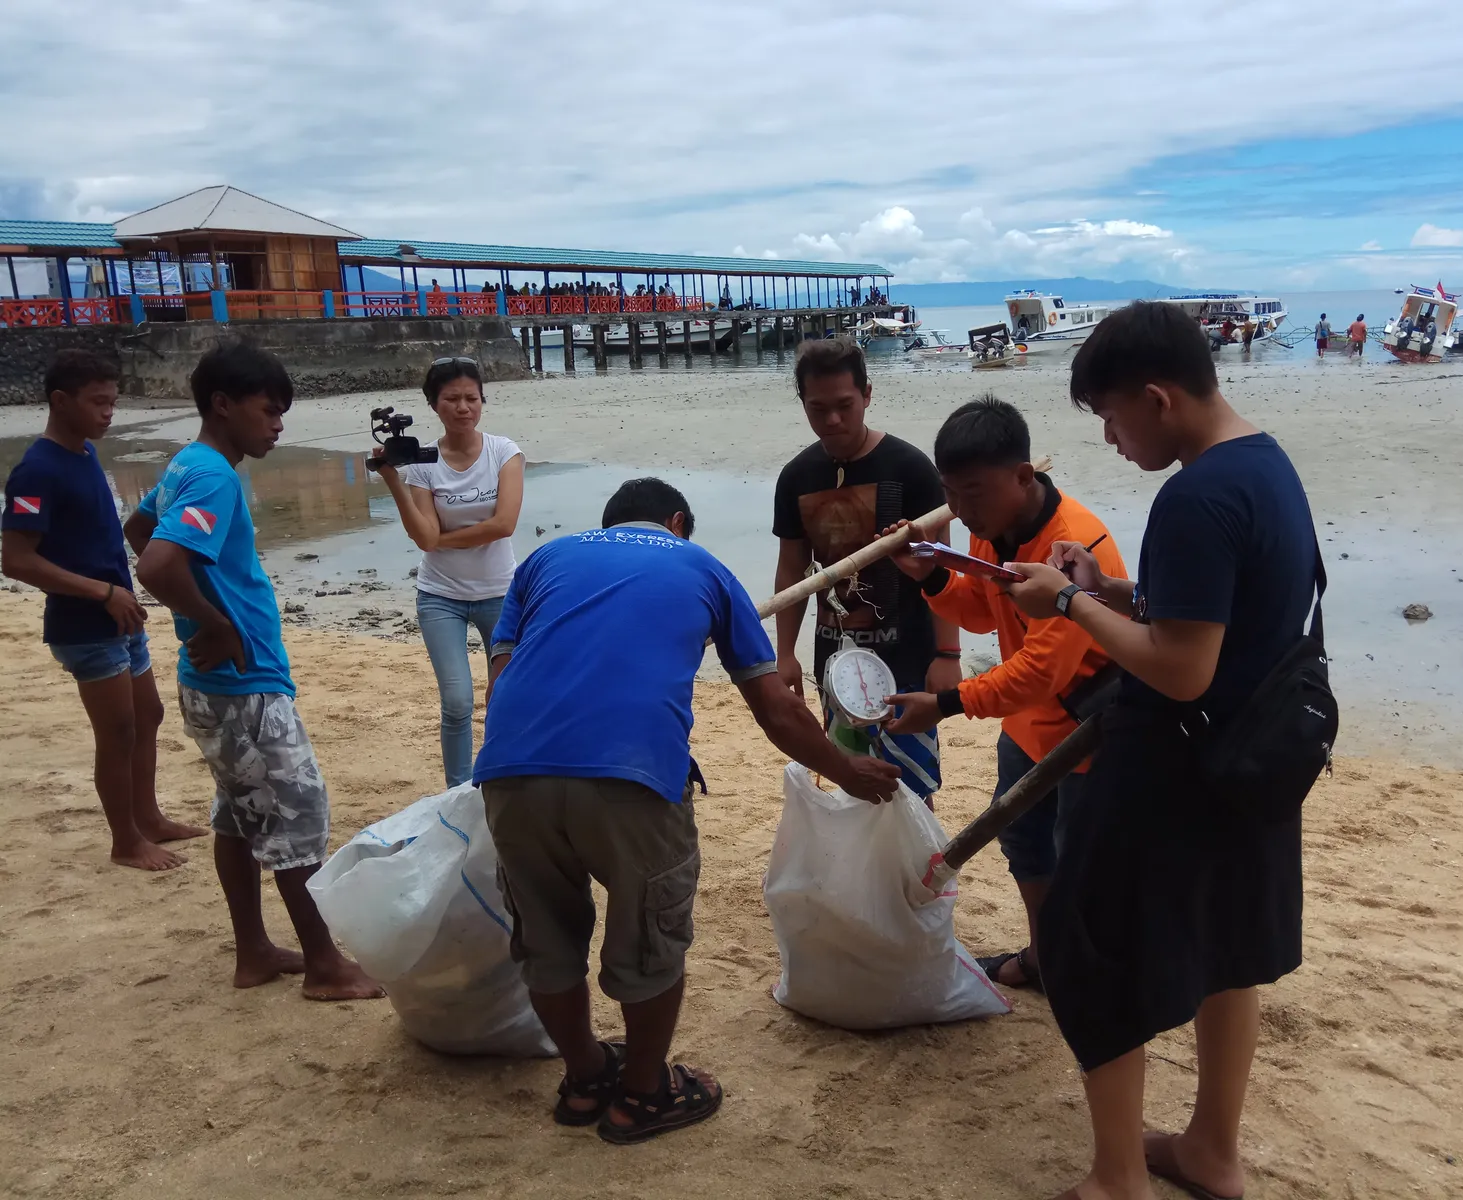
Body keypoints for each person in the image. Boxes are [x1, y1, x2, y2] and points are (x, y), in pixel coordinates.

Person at [1000, 301, 1316, 1200]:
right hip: (1254, 765)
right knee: (1230, 952)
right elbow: (1219, 611)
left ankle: (1117, 1179)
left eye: (1110, 416)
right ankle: (1212, 1150)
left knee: (1087, 951)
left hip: (1182, 766)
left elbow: (1181, 669)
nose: (1108, 438)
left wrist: (1064, 606)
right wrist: (1111, 590)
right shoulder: (1264, 464)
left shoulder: (1195, 494)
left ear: (1157, 396)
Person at [475, 477, 900, 1144]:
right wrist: (845, 769)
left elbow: (503, 681)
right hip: (632, 776)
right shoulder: (701, 565)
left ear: (610, 522)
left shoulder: (544, 561)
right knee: (650, 939)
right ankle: (643, 1094)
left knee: (546, 939)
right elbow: (778, 708)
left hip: (508, 772)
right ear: (677, 521)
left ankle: (586, 1076)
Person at [128, 339, 384, 1001]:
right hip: (243, 683)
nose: (278, 426)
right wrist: (214, 623)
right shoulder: (212, 473)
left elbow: (139, 525)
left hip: (215, 683)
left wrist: (202, 612)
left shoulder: (187, 463)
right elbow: (153, 564)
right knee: (297, 814)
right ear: (223, 404)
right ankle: (324, 966)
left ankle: (255, 951)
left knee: (238, 815)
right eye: (269, 412)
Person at [879, 396, 1126, 991]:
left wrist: (943, 704)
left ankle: (1085, 973)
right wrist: (932, 575)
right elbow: (986, 613)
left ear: (1023, 475)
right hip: (1026, 727)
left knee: (1079, 859)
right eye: (951, 495)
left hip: (1087, 734)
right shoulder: (996, 533)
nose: (961, 513)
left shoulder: (1072, 547)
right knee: (1024, 842)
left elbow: (1042, 669)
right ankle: (1046, 958)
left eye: (973, 493)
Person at [1, 350, 205, 871]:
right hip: (84, 623)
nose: (108, 413)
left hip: (119, 615)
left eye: (113, 402)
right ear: (60, 401)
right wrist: (101, 592)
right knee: (116, 732)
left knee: (148, 716)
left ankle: (149, 818)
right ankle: (125, 841)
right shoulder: (36, 471)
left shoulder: (86, 454)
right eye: (98, 402)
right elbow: (16, 560)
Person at [773, 339, 960, 803]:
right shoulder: (797, 478)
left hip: (909, 658)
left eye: (844, 406)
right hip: (835, 660)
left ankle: (913, 876)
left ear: (868, 395)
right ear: (803, 404)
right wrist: (785, 653)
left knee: (911, 788)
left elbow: (945, 569)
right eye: (818, 408)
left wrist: (949, 655)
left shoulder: (911, 469)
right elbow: (792, 571)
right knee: (851, 782)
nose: (832, 420)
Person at [372, 357, 524, 787]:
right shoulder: (422, 463)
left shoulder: (504, 452)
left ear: (482, 401)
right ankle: (457, 791)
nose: (463, 407)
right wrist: (394, 483)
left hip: (500, 594)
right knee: (457, 702)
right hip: (440, 595)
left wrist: (441, 539)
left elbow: (505, 524)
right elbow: (423, 536)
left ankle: (500, 780)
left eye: (471, 398)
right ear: (434, 404)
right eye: (452, 399)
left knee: (505, 698)